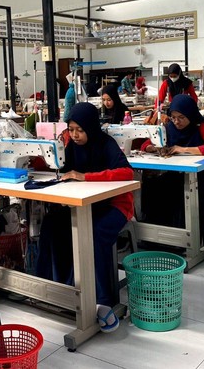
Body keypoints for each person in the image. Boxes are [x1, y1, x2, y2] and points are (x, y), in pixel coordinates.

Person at [36, 102, 134, 333]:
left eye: (80, 129)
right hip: (84, 204)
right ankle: (55, 287)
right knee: (52, 224)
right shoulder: (70, 146)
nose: (75, 135)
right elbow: (59, 166)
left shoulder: (106, 144)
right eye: (71, 129)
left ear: (91, 127)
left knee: (92, 232)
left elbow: (127, 172)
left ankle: (101, 300)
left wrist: (86, 176)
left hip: (114, 205)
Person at [140, 95, 204, 243]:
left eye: (181, 117)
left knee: (177, 189)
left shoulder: (202, 125)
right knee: (152, 186)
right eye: (173, 117)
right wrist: (153, 147)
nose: (176, 121)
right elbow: (145, 144)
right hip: (176, 173)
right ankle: (158, 237)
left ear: (190, 114)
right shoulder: (169, 127)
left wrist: (183, 149)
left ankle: (186, 238)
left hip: (201, 174)